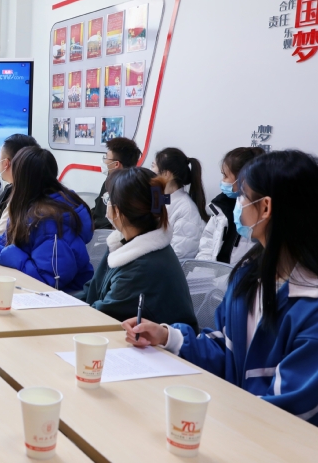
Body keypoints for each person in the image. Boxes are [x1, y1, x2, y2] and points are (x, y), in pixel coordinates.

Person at [123, 150, 318, 427]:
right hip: (236, 424)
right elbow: (226, 349)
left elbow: (288, 410)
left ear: (265, 208)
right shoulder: (249, 276)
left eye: (242, 196)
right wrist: (167, 336)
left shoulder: (311, 305)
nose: (237, 203)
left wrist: (216, 417)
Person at [76, 168, 198, 329]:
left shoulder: (142, 267)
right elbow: (92, 290)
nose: (107, 205)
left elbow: (103, 317)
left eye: (108, 199)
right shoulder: (124, 244)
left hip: (148, 345)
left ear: (118, 211)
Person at [0, 146, 93, 293]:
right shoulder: (32, 207)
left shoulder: (51, 222)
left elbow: (48, 281)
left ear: (24, 179)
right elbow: (10, 240)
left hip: (65, 298)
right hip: (34, 293)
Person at [196, 147, 265, 264]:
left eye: (226, 176)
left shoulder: (260, 215)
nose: (223, 181)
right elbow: (207, 240)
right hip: (215, 272)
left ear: (243, 179)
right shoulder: (220, 205)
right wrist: (205, 268)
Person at [151, 147, 209, 259]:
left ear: (166, 174)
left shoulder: (186, 210)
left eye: (153, 166)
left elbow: (179, 255)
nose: (149, 171)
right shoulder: (162, 198)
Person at [92, 137, 141, 230]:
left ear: (116, 164)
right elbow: (98, 210)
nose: (104, 161)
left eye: (106, 158)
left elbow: (112, 224)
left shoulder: (128, 190)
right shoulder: (109, 181)